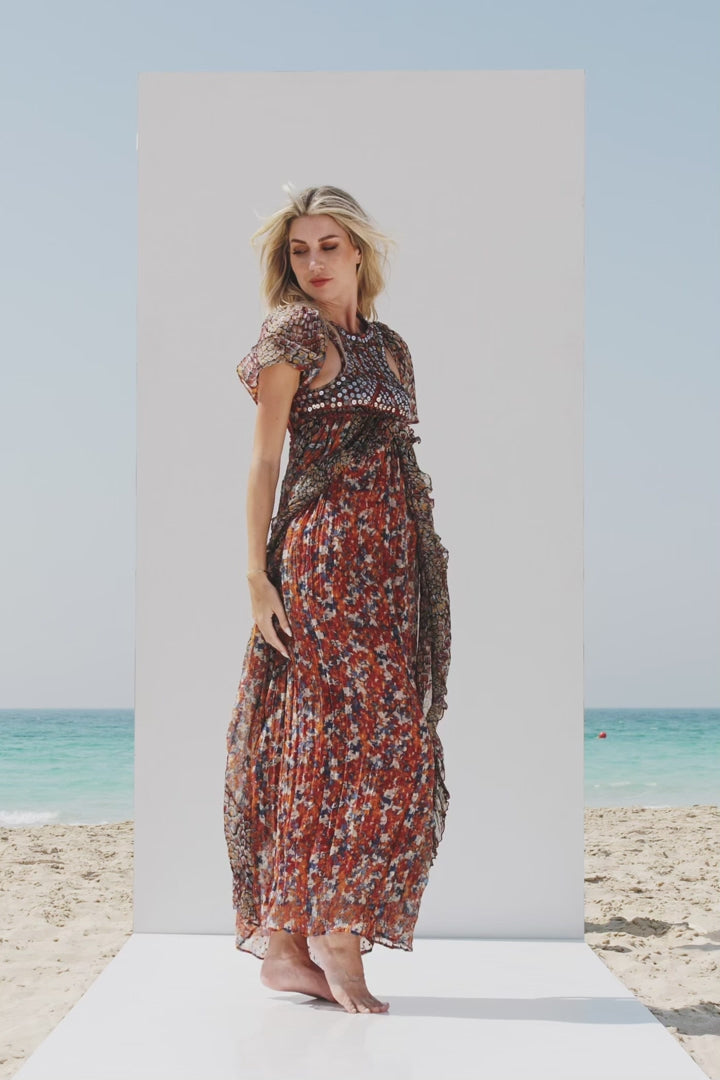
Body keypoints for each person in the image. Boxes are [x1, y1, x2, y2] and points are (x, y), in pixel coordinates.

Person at [223, 184, 451, 1015]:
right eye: (299, 250)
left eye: (328, 246)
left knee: (389, 741)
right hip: (320, 557)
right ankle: (335, 934)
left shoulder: (390, 348)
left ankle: (287, 950)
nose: (314, 263)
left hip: (391, 565)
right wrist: (257, 577)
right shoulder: (292, 334)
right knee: (324, 739)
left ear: (358, 250)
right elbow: (264, 461)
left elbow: (395, 459)